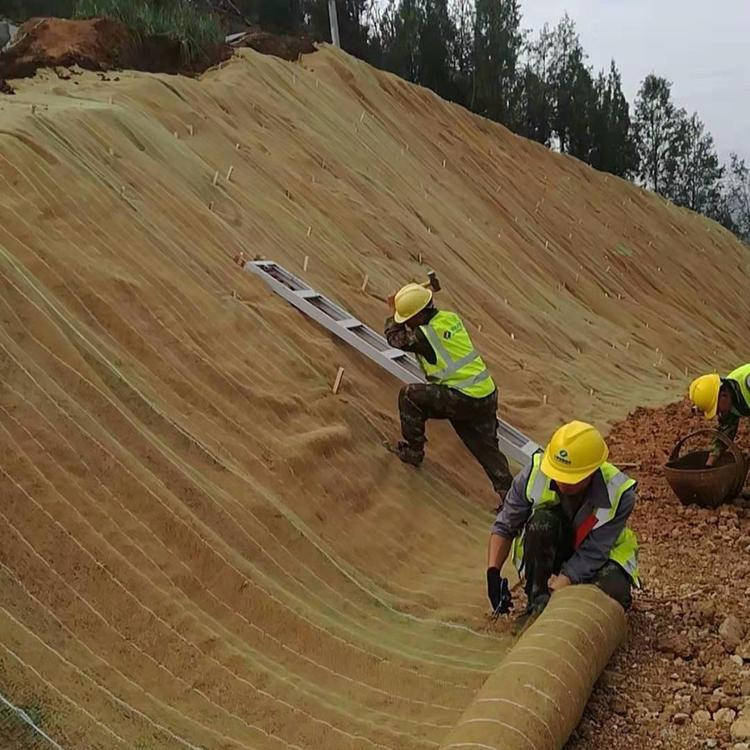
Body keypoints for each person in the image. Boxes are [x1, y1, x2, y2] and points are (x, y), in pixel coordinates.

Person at [486, 420, 640, 633]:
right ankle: (535, 602)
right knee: (541, 523)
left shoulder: (621, 494)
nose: (562, 482)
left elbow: (593, 552)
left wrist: (557, 590)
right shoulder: (535, 472)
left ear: (592, 472)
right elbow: (505, 525)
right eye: (558, 475)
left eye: (571, 478)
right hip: (554, 545)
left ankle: (564, 607)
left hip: (597, 556)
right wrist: (493, 573)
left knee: (614, 591)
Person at [384, 282, 512, 502]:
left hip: (463, 396)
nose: (406, 323)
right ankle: (509, 496)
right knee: (487, 449)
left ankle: (414, 452)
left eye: (408, 319)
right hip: (485, 392)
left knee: (409, 396)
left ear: (419, 315)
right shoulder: (449, 318)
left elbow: (395, 339)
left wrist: (392, 314)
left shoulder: (425, 334)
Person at [689, 365, 750, 466]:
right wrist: (711, 460)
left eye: (716, 409)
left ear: (723, 395)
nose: (718, 413)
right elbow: (726, 431)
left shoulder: (747, 383)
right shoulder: (730, 395)